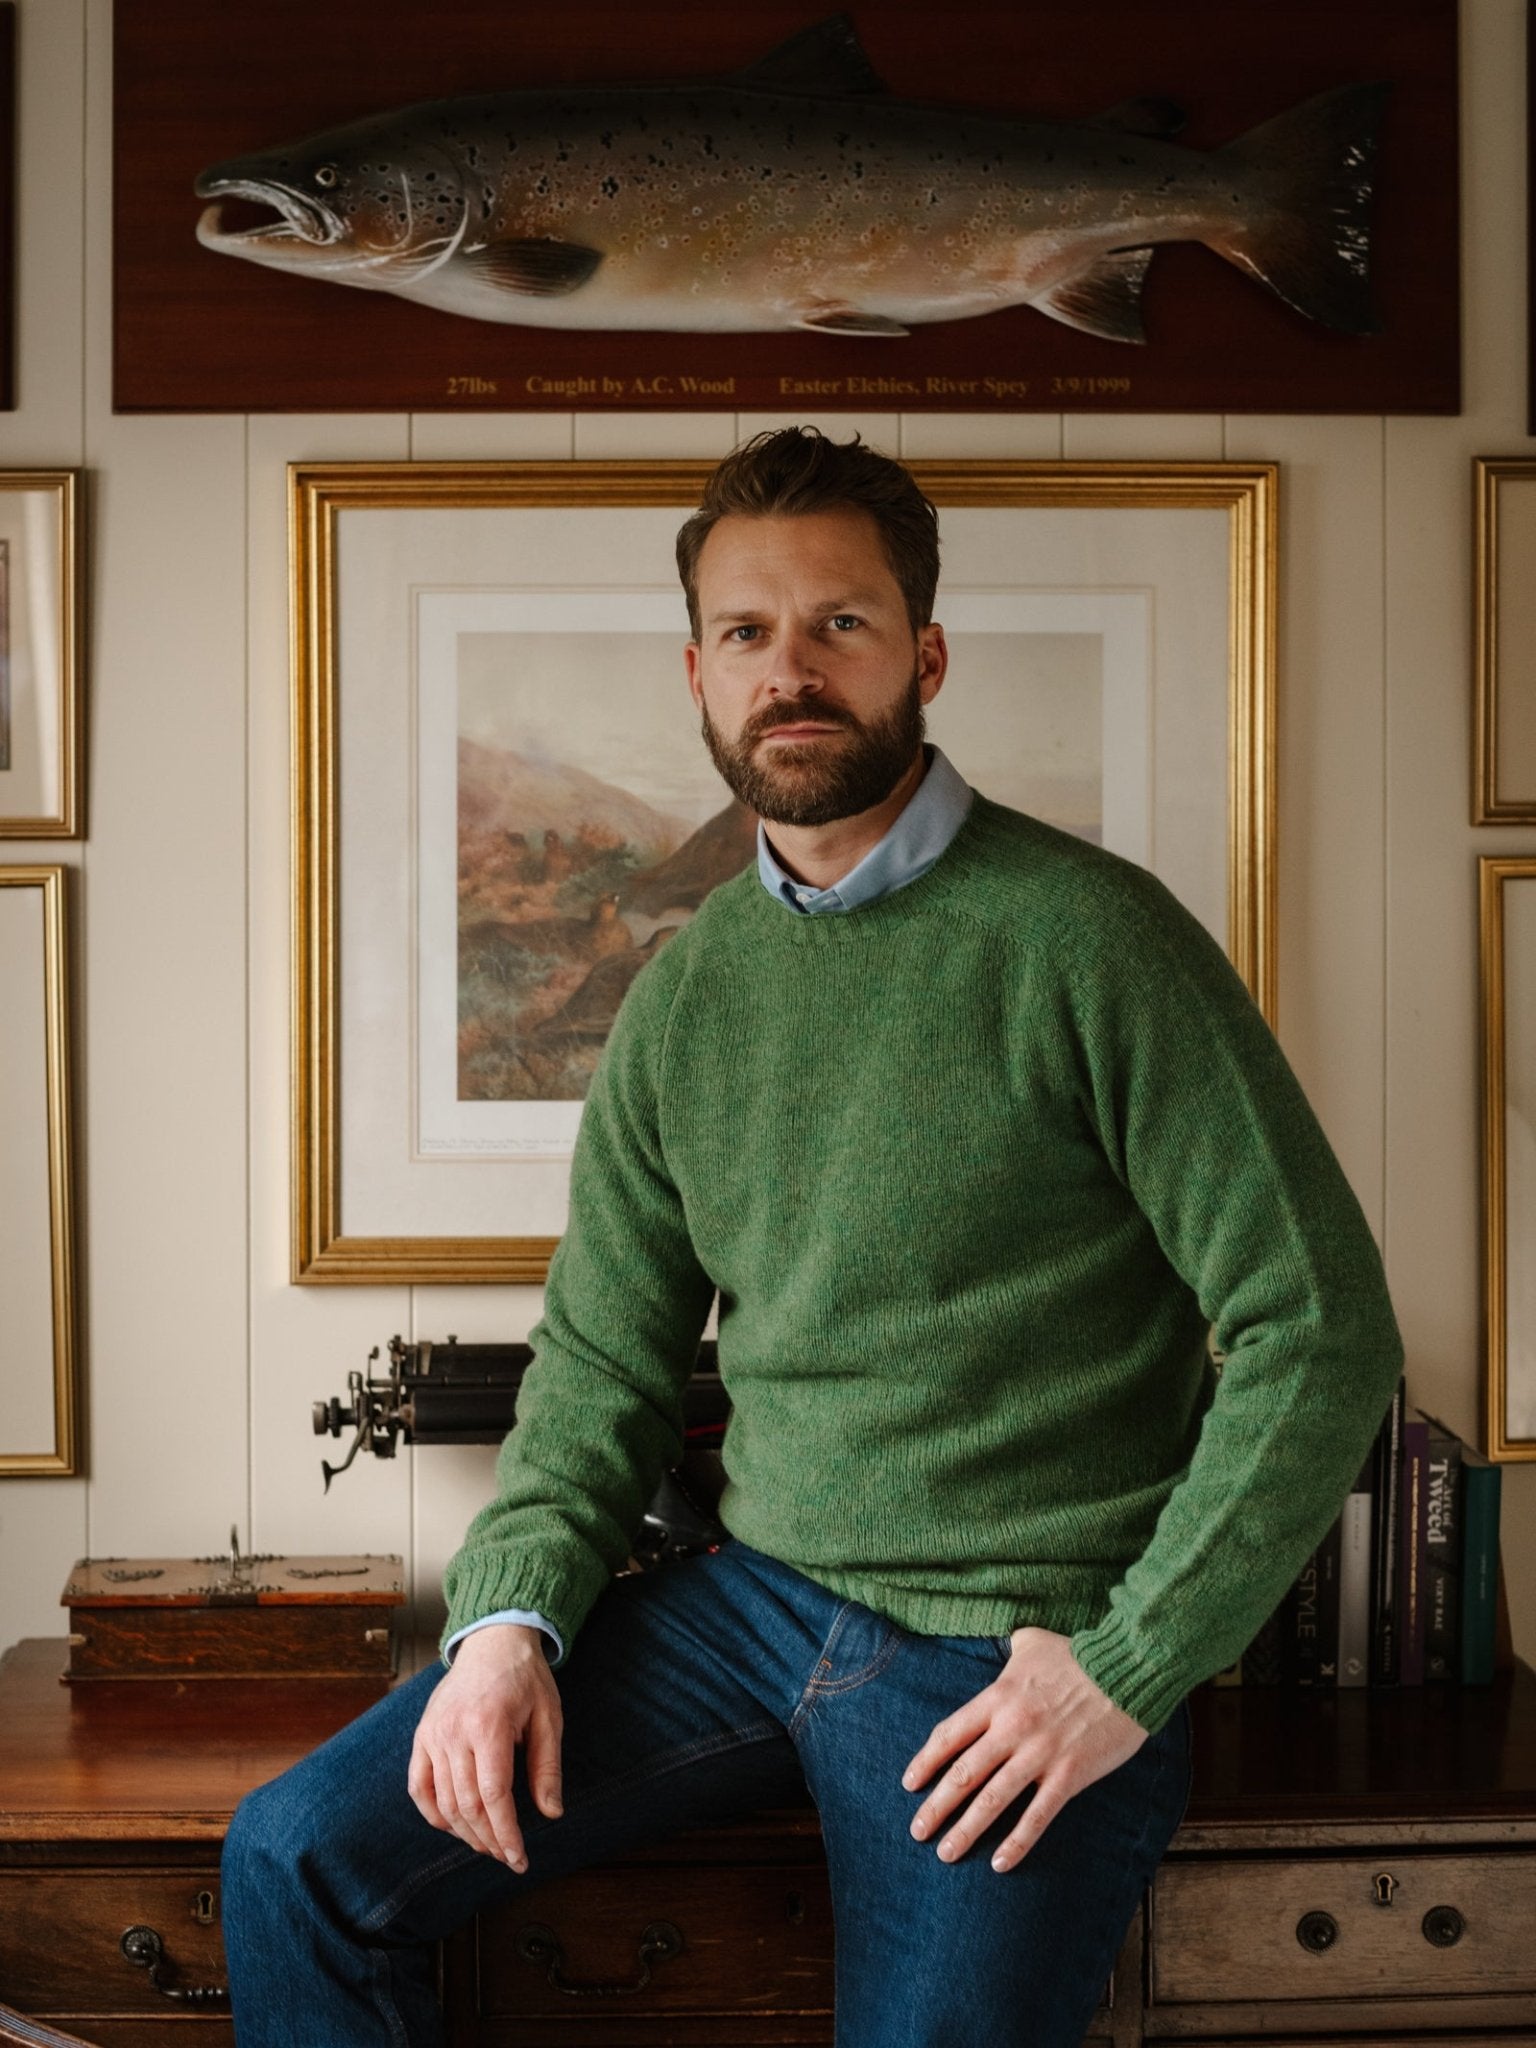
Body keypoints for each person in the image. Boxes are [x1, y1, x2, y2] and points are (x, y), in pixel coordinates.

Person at [222, 428, 1404, 2046]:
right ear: (697, 676)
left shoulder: (1095, 941)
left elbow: (1318, 1329)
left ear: (922, 655)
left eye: (839, 624)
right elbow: (598, 1366)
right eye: (747, 633)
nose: (792, 671)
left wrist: (1130, 1669)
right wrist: (505, 1623)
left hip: (1011, 1653)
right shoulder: (689, 995)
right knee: (293, 1858)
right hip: (750, 1603)